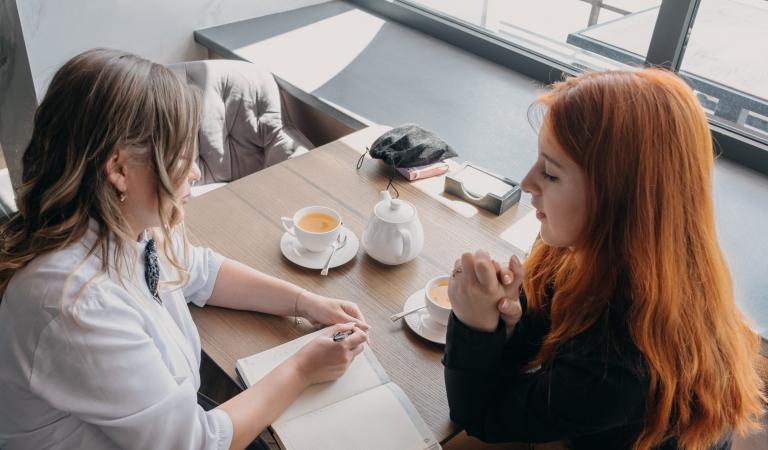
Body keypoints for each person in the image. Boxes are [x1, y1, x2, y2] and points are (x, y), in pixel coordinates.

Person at [0, 48, 369, 450]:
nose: (194, 171)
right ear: (119, 170)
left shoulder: (127, 221)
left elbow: (200, 270)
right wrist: (301, 369)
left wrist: (303, 302)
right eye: (179, 155)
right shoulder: (73, 304)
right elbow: (195, 443)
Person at [443, 69, 765, 450]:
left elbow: (481, 417)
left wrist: (473, 324)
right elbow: (529, 349)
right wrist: (507, 323)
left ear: (616, 202)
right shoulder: (588, 256)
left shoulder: (620, 363)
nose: (527, 182)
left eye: (550, 173)